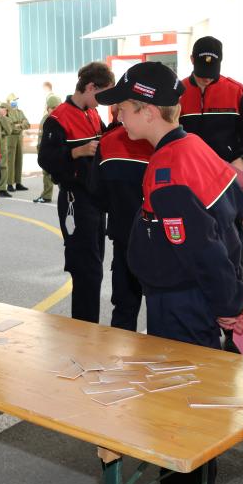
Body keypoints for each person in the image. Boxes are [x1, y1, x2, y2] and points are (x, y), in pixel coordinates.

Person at [98, 62, 243, 484]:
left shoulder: (168, 169)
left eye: (123, 109)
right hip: (186, 297)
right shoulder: (193, 146)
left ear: (147, 111)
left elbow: (202, 249)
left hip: (182, 303)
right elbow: (229, 220)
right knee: (181, 400)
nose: (118, 118)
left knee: (182, 407)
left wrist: (228, 304)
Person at [37, 62, 115, 323]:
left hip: (95, 199)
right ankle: (84, 329)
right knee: (86, 269)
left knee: (95, 266)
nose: (103, 101)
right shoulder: (58, 118)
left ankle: (87, 327)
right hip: (75, 200)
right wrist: (76, 152)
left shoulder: (92, 114)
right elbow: (45, 159)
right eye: (103, 94)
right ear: (90, 87)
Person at [178, 36, 243, 237]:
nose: (207, 78)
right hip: (189, 185)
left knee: (233, 247)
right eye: (202, 71)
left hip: (229, 184)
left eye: (212, 70)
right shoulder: (177, 93)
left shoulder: (238, 92)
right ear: (192, 60)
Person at [97, 120, 153, 330]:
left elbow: (98, 194)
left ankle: (120, 352)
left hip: (124, 234)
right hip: (161, 240)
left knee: (124, 307)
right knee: (162, 311)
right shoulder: (169, 142)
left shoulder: (107, 142)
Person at [34, 82, 63, 203]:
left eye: (57, 107)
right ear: (48, 108)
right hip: (48, 151)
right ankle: (47, 195)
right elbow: (41, 137)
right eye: (52, 108)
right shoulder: (46, 119)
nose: (55, 110)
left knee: (60, 174)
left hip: (58, 152)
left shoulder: (62, 119)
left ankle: (65, 195)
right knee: (47, 174)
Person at [5, 94, 31, 192]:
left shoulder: (20, 112)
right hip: (10, 138)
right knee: (10, 161)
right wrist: (20, 125)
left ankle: (18, 182)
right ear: (9, 102)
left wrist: (18, 125)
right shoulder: (7, 113)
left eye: (16, 100)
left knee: (19, 160)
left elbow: (27, 124)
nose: (15, 102)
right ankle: (9, 183)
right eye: (13, 100)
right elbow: (10, 127)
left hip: (19, 138)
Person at [0, 100, 14, 198]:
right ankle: (1, 189)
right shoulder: (2, 117)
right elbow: (9, 130)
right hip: (1, 144)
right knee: (3, 166)